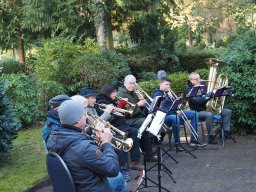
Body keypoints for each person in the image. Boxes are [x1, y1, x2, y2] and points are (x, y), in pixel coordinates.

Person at [47, 100, 126, 192]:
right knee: (119, 178)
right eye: (84, 114)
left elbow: (81, 157)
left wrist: (95, 140)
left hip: (78, 185)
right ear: (77, 120)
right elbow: (113, 169)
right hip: (92, 188)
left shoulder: (54, 137)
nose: (86, 117)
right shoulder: (84, 148)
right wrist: (106, 143)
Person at [96, 83, 144, 173]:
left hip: (121, 125)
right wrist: (120, 106)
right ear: (108, 92)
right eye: (114, 92)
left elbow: (122, 114)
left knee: (135, 132)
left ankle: (135, 161)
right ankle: (123, 168)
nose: (116, 94)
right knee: (123, 140)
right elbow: (110, 118)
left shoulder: (111, 100)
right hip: (113, 127)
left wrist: (123, 106)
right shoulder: (101, 102)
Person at [152, 77, 205, 149]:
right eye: (166, 84)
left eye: (169, 85)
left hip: (173, 113)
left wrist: (177, 106)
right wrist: (174, 111)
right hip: (165, 116)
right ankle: (177, 143)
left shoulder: (168, 93)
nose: (168, 86)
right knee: (175, 118)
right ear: (160, 84)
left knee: (194, 113)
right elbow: (160, 109)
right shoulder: (157, 94)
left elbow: (173, 105)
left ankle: (194, 139)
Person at [117, 75, 156, 161]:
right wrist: (138, 104)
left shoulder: (134, 92)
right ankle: (147, 152)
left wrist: (142, 103)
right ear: (125, 83)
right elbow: (124, 112)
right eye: (130, 83)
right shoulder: (120, 94)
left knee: (146, 124)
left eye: (134, 83)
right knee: (144, 122)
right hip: (126, 120)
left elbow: (139, 109)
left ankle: (148, 153)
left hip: (135, 117)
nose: (132, 85)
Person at [187, 72, 233, 142]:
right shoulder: (189, 89)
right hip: (197, 112)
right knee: (209, 114)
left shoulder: (202, 85)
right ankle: (211, 136)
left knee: (227, 112)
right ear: (191, 80)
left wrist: (218, 92)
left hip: (208, 109)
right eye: (196, 79)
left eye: (199, 78)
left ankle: (224, 133)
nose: (199, 80)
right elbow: (199, 101)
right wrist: (212, 93)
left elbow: (208, 96)